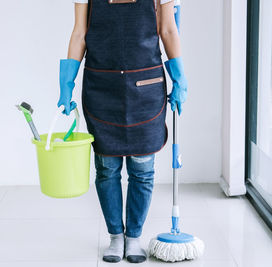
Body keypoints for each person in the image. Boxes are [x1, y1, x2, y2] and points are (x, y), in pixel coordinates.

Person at [57, 0, 187, 263]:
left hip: (146, 87)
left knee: (142, 169)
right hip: (101, 86)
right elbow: (80, 32)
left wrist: (179, 77)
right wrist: (67, 80)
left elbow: (169, 30)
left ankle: (134, 237)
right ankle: (116, 236)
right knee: (107, 168)